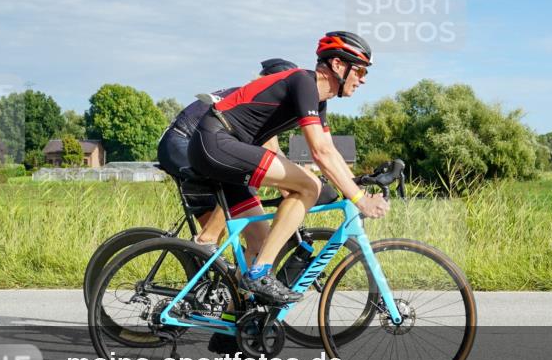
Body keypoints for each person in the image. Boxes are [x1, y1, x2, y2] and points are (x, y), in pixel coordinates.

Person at [187, 31, 389, 304]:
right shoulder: (303, 82)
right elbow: (319, 151)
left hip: (226, 149)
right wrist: (360, 200)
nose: (363, 79)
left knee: (260, 242)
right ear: (338, 65)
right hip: (216, 141)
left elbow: (330, 149)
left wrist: (356, 181)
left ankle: (233, 322)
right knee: (308, 185)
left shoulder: (319, 100)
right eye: (361, 70)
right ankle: (260, 275)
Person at [156, 59, 298, 246]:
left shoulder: (260, 98)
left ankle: (210, 262)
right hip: (180, 142)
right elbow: (270, 150)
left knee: (234, 242)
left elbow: (275, 150)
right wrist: (294, 187)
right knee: (239, 176)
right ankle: (209, 238)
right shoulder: (256, 99)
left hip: (194, 145)